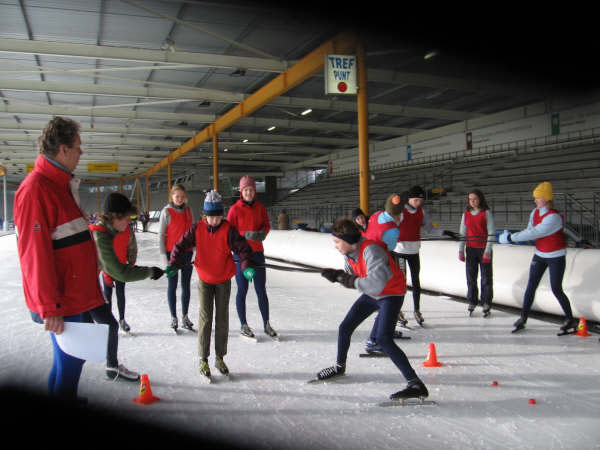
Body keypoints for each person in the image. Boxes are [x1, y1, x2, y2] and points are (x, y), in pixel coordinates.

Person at [13, 116, 106, 399]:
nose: (81, 152)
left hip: (74, 292)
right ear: (63, 150)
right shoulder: (35, 190)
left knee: (70, 362)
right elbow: (34, 255)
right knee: (70, 364)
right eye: (78, 147)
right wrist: (49, 306)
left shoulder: (60, 186)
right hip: (62, 299)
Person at [315, 218, 429, 402]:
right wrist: (338, 275)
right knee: (345, 327)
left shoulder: (371, 251)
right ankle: (339, 366)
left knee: (383, 339)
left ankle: (416, 384)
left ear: (348, 240)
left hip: (391, 294)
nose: (335, 246)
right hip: (373, 293)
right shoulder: (349, 254)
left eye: (337, 242)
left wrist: (345, 279)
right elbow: (355, 277)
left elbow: (377, 283)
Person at [166, 190, 254, 380]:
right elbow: (180, 245)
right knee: (205, 319)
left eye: (218, 217)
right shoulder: (197, 229)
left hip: (223, 280)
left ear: (222, 215)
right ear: (204, 216)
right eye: (210, 217)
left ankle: (219, 357)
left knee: (222, 319)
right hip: (205, 279)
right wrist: (173, 263)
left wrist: (246, 266)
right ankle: (203, 359)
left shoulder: (228, 229)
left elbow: (243, 249)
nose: (214, 221)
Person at [89, 192, 164, 381]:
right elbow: (120, 273)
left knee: (107, 325)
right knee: (101, 328)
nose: (129, 222)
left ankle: (111, 366)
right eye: (127, 218)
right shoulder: (100, 235)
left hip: (86, 288)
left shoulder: (105, 232)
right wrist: (150, 272)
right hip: (77, 292)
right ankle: (109, 366)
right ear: (115, 216)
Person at [498, 182, 578, 334]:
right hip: (540, 254)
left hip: (555, 256)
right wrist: (513, 237)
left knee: (556, 288)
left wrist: (510, 238)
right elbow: (529, 230)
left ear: (546, 199)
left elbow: (536, 232)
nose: (535, 200)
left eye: (538, 197)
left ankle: (570, 319)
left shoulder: (554, 217)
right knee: (531, 286)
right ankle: (523, 318)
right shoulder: (535, 212)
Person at [394, 185, 459, 326]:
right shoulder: (400, 211)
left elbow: (429, 229)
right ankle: (397, 310)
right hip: (400, 252)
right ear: (409, 199)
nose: (418, 203)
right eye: (416, 200)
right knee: (401, 283)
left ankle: (417, 310)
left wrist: (445, 232)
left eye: (420, 201)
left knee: (416, 282)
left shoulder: (422, 212)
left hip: (414, 252)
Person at [227, 175, 278, 340]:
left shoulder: (260, 208)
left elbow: (266, 224)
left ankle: (266, 323)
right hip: (241, 255)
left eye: (251, 190)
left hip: (257, 253)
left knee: (261, 289)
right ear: (241, 192)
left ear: (254, 191)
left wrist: (263, 232)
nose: (248, 193)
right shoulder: (234, 209)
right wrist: (245, 234)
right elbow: (229, 232)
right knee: (242, 289)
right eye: (246, 190)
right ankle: (243, 324)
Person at [158, 184, 195, 332]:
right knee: (172, 286)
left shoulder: (188, 210)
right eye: (177, 196)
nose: (180, 199)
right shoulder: (166, 212)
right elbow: (161, 235)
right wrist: (164, 257)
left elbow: (193, 232)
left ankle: (185, 316)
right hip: (171, 254)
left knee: (186, 285)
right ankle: (173, 317)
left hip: (187, 253)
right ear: (172, 196)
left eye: (182, 196)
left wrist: (195, 250)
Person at [458, 189, 496, 317]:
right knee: (471, 277)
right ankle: (472, 301)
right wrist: (461, 249)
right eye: (470, 199)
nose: (472, 201)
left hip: (484, 249)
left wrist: (488, 250)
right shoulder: (466, 214)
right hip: (471, 249)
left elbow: (491, 232)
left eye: (475, 199)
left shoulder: (486, 213)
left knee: (486, 278)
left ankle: (486, 302)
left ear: (480, 199)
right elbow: (463, 233)